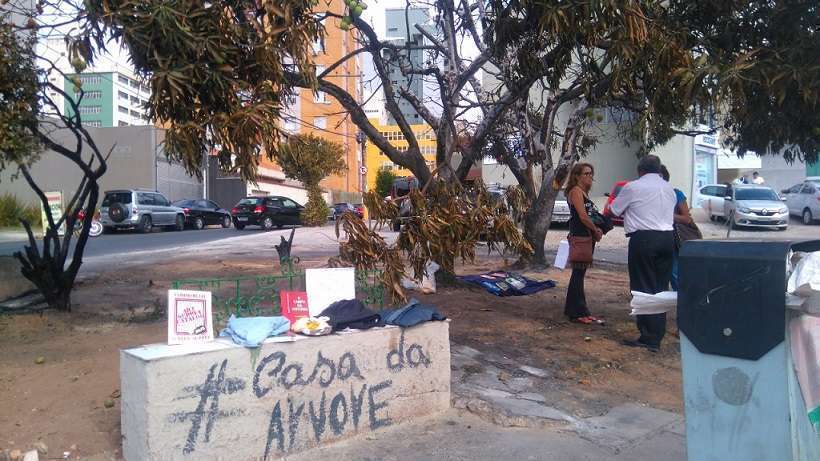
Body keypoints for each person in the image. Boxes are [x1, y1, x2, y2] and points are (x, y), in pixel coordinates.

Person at [610, 155, 677, 352]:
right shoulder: (669, 188)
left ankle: (647, 336)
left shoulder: (633, 187)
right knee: (660, 287)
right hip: (667, 239)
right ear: (658, 170)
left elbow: (614, 210)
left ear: (640, 170)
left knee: (643, 287)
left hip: (644, 239)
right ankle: (657, 335)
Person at [564, 162, 604, 325]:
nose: (589, 177)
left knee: (580, 273)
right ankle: (576, 311)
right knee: (578, 274)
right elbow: (583, 216)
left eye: (591, 173)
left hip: (587, 237)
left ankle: (578, 309)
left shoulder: (584, 193)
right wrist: (595, 229)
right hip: (581, 237)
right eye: (586, 174)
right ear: (577, 176)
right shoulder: (575, 192)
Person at [660, 165, 695, 291]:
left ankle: (683, 300)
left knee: (674, 272)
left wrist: (666, 215)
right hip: (656, 239)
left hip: (673, 238)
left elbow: (686, 218)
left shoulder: (676, 194)